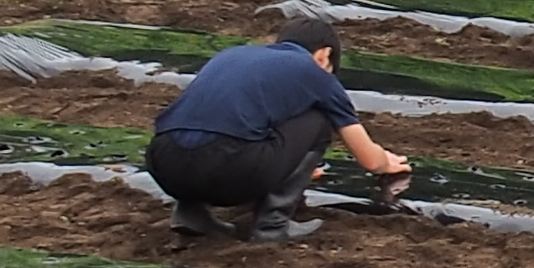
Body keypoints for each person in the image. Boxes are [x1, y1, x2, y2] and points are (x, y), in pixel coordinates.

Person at [144, 33, 415, 246]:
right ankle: (271, 226)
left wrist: (290, 162)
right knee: (319, 120)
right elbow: (369, 159)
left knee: (211, 126)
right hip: (227, 169)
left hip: (164, 164)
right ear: (324, 55)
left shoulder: (232, 55)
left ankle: (190, 214)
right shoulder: (314, 73)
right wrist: (385, 162)